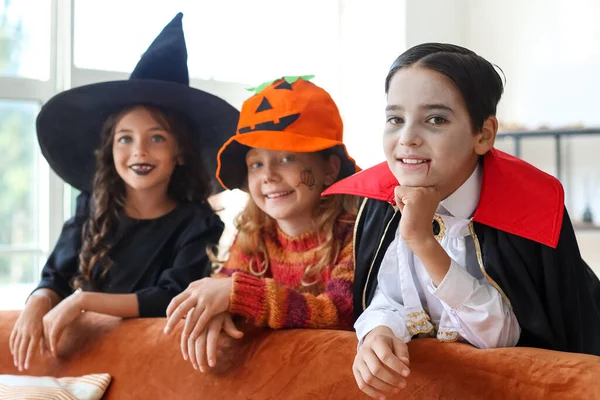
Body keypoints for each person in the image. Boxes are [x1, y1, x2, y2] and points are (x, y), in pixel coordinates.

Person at [323, 43, 600, 398]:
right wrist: (378, 330)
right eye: (395, 119)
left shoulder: (530, 209)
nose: (407, 138)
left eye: (435, 119)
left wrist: (423, 242)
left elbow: (503, 338)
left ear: (483, 134)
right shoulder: (378, 204)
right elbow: (387, 298)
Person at [9, 13, 239, 372]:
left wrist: (86, 301)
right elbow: (54, 276)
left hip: (149, 365)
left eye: (157, 137)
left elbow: (170, 297)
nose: (139, 151)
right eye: (125, 138)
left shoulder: (199, 223)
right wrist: (39, 300)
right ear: (109, 149)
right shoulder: (91, 207)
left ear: (180, 152)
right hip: (80, 360)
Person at [163, 76, 360, 373]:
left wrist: (238, 294)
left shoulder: (355, 233)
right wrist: (221, 307)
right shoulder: (255, 236)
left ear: (330, 169)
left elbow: (341, 313)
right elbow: (226, 285)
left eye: (287, 158)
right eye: (256, 163)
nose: (268, 175)